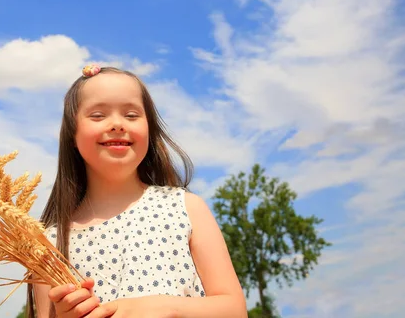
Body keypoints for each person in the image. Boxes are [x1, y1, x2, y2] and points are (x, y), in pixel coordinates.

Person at [26, 65, 246, 318]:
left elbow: (234, 309)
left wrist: (164, 307)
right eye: (98, 115)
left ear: (149, 129)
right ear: (72, 133)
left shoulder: (185, 206)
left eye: (131, 115)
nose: (118, 124)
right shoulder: (48, 244)